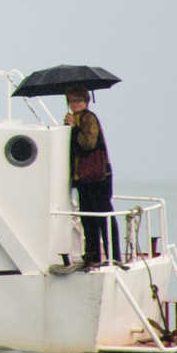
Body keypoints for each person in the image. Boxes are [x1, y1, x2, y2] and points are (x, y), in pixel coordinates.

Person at [67, 92, 116, 267]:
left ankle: (113, 255)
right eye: (71, 100)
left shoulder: (88, 118)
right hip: (84, 177)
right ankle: (92, 255)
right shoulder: (76, 119)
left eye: (78, 99)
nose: (74, 103)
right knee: (88, 218)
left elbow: (88, 144)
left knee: (103, 215)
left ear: (86, 101)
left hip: (97, 176)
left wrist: (73, 128)